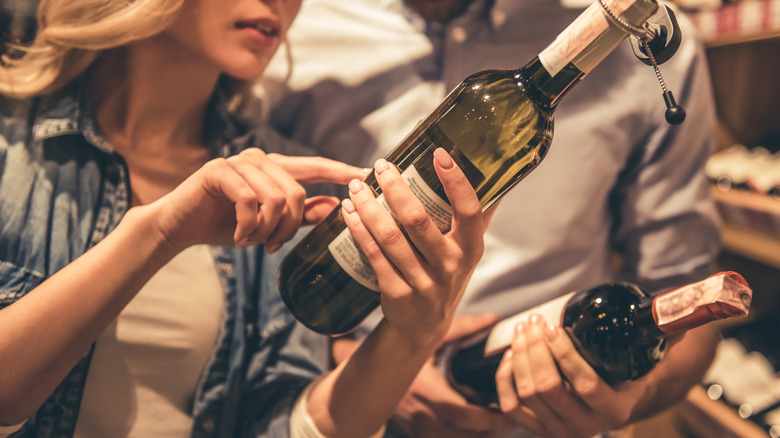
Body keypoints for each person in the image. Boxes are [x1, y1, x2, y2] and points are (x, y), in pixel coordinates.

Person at [0, 0, 490, 437]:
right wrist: (157, 234)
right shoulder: (11, 144)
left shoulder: (286, 183)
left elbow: (283, 425)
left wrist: (410, 337)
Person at [256, 0, 723, 436]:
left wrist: (629, 393)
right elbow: (242, 269)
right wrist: (364, 364)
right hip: (341, 407)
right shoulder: (284, 29)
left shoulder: (644, 48)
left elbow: (684, 286)